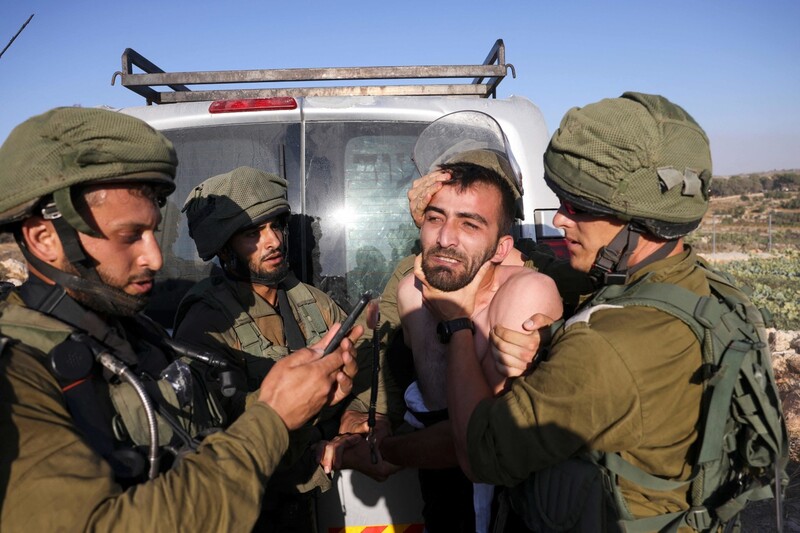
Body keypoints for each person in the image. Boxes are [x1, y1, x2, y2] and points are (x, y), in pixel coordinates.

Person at [0, 107, 359, 531]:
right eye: (130, 236)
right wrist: (273, 417)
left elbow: (214, 447)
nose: (154, 257)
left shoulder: (134, 335)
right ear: (44, 239)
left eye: (154, 231)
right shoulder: (18, 372)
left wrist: (307, 403)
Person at [417, 92, 758, 531]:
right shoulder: (691, 285)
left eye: (578, 207)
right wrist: (554, 339)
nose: (559, 220)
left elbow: (481, 453)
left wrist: (459, 324)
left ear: (635, 219)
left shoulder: (607, 349)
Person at [174, 166, 370, 532]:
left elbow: (371, 364)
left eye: (275, 226)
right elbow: (215, 435)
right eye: (253, 233)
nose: (274, 241)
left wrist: (351, 418)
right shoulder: (208, 322)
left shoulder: (311, 301)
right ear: (224, 248)